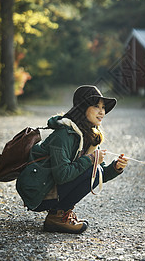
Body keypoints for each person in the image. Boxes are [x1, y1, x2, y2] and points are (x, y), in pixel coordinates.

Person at [16, 85, 128, 234]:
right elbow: (62, 175)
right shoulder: (64, 135)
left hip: (51, 185)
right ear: (82, 108)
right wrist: (91, 159)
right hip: (37, 191)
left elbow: (99, 174)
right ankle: (57, 216)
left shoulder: (88, 135)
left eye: (103, 107)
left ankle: (59, 213)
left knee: (94, 168)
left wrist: (116, 167)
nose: (102, 112)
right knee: (90, 166)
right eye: (96, 106)